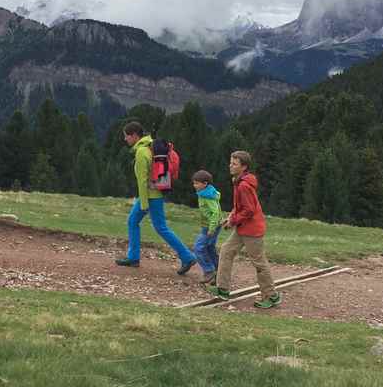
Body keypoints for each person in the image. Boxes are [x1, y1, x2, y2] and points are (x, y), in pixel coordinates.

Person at [115, 121, 197, 275]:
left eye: (126, 136)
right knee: (135, 221)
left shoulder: (141, 152)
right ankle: (133, 257)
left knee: (159, 227)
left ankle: (187, 257)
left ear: (134, 135)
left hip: (150, 196)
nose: (125, 139)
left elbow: (142, 180)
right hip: (157, 193)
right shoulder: (151, 145)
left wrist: (144, 203)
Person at [208, 151, 281, 309]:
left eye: (234, 164)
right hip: (243, 228)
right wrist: (231, 217)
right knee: (227, 251)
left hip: (252, 230)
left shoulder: (244, 185)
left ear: (244, 167)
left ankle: (271, 296)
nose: (230, 166)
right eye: (230, 162)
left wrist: (233, 221)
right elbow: (239, 206)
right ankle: (223, 289)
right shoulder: (238, 181)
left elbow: (248, 210)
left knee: (259, 263)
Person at [191, 169, 222, 285]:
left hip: (210, 227)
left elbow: (215, 213)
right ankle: (219, 271)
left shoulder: (207, 196)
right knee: (209, 248)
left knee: (198, 248)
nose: (194, 186)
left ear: (205, 184)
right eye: (194, 183)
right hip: (211, 225)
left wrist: (211, 228)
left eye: (197, 183)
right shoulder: (205, 193)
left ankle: (209, 271)